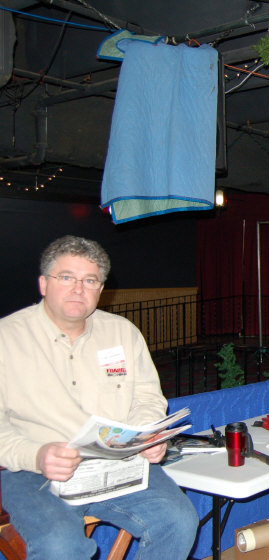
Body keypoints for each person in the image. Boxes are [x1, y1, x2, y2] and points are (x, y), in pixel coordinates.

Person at [0, 235, 198, 559]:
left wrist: (146, 435)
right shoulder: (6, 338)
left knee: (178, 522)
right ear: (43, 284)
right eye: (66, 277)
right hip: (34, 473)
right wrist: (35, 455)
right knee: (60, 547)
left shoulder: (122, 333)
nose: (78, 289)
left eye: (89, 280)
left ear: (101, 289)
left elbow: (147, 398)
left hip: (116, 465)